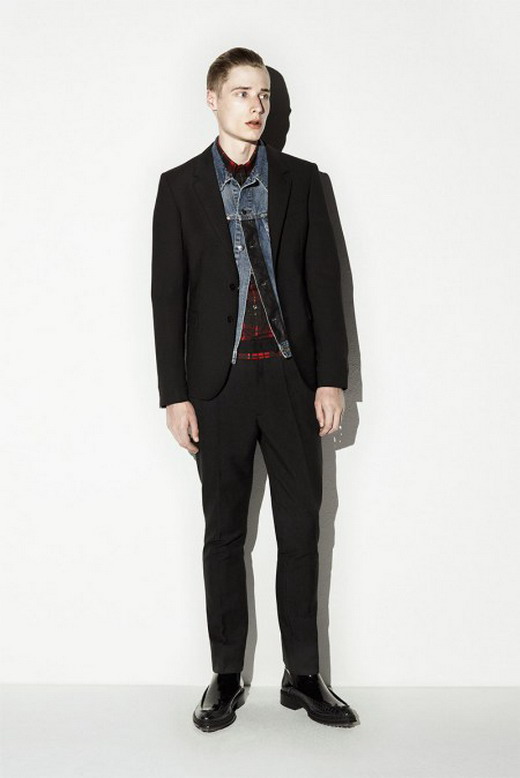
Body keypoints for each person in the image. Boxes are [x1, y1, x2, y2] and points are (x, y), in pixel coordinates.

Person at [151, 47, 359, 732]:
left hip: (293, 381)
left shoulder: (303, 181)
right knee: (224, 533)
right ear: (213, 99)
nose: (256, 106)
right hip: (219, 386)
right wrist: (175, 394)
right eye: (242, 93)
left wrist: (331, 378)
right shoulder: (179, 187)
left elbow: (326, 285)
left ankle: (303, 675)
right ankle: (225, 674)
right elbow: (167, 297)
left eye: (263, 94)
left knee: (302, 530)